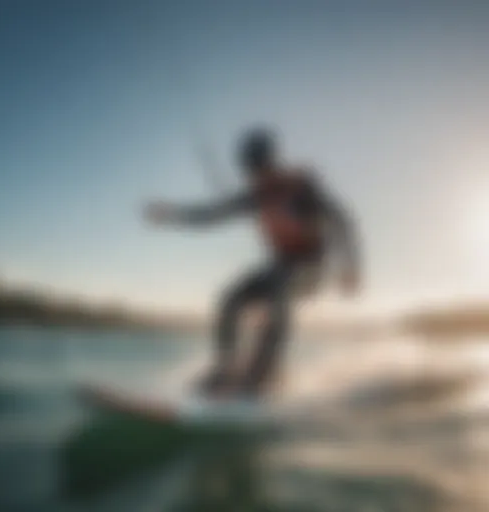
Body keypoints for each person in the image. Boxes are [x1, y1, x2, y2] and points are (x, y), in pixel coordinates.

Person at [145, 127, 361, 398]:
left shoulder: (302, 189)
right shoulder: (255, 196)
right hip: (279, 268)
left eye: (261, 167)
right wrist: (171, 215)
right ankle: (226, 370)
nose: (257, 176)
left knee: (277, 295)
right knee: (231, 297)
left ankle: (260, 379)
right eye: (251, 171)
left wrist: (351, 267)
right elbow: (211, 214)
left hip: (311, 270)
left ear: (271, 162)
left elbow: (342, 221)